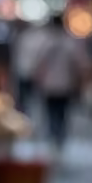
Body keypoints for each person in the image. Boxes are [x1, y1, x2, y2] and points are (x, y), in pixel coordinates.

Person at [34, 14, 86, 149]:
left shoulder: (45, 41)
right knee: (62, 113)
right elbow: (77, 65)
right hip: (65, 84)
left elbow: (39, 64)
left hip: (49, 85)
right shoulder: (69, 42)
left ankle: (54, 135)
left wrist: (39, 79)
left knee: (51, 112)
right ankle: (59, 137)